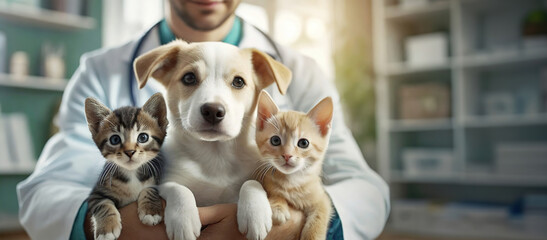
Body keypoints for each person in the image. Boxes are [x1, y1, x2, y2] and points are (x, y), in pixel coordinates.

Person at [17, 0, 390, 239]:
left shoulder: (301, 71)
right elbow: (47, 192)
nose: (213, 104)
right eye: (190, 79)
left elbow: (365, 189)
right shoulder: (101, 70)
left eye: (238, 83)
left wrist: (293, 226)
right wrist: (133, 229)